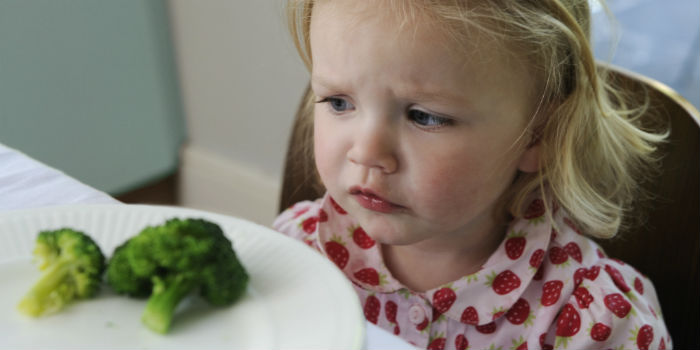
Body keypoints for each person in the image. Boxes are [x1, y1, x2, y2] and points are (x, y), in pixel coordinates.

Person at [273, 0, 672, 348]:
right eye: (339, 102)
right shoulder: (294, 255)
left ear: (538, 134)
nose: (367, 153)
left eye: (424, 116)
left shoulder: (594, 325)